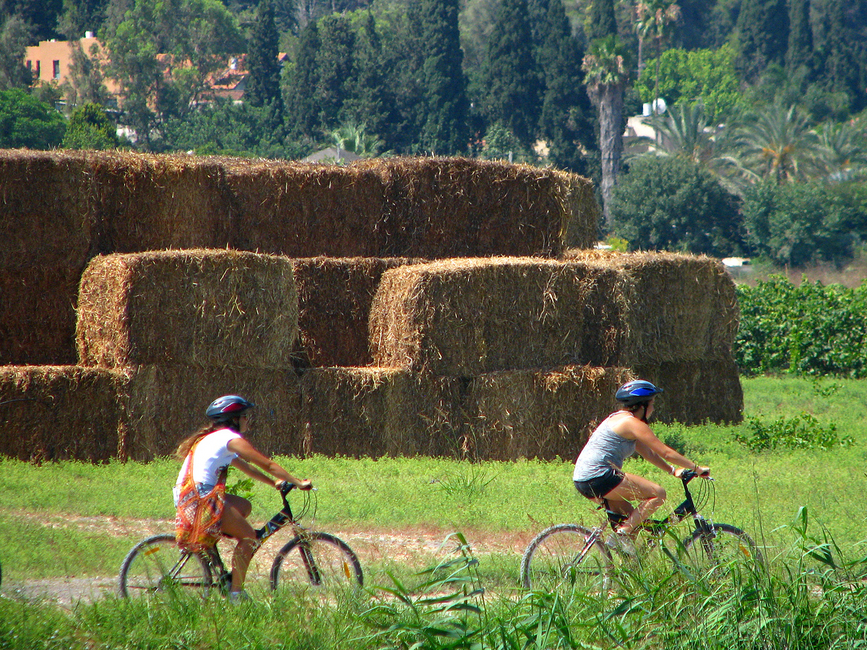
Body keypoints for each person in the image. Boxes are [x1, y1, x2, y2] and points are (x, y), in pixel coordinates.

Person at [174, 394, 311, 602]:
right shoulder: (229, 439)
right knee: (249, 538)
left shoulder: (216, 438)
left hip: (193, 495)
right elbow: (268, 464)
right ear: (234, 418)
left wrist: (273, 483)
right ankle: (236, 595)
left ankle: (215, 553)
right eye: (245, 416)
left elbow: (246, 468)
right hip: (200, 498)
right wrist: (298, 481)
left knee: (244, 506)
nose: (248, 420)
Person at [572, 380, 710, 555]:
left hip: (584, 479)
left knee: (634, 522)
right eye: (652, 404)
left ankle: (624, 572)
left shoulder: (619, 419)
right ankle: (620, 535)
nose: (653, 409)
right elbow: (665, 452)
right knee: (658, 494)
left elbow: (649, 453)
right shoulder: (632, 423)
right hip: (599, 476)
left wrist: (673, 470)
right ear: (642, 406)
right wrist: (696, 468)